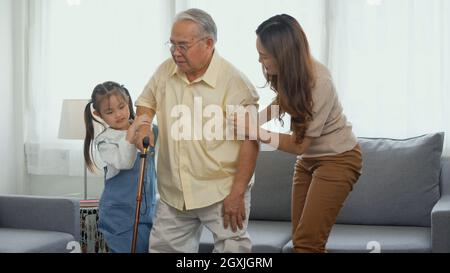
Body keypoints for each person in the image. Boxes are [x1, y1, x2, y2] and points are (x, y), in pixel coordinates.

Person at [230, 14, 363, 253]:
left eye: (264, 55)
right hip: (308, 161)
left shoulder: (320, 82)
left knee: (307, 244)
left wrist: (255, 130)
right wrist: (254, 120)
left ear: (283, 54)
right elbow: (282, 101)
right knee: (302, 240)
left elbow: (299, 145)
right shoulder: (290, 73)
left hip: (339, 160)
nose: (260, 61)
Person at [133, 9, 260, 253]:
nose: (175, 52)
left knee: (233, 252)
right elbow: (145, 102)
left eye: (183, 45)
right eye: (172, 45)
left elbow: (250, 141)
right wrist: (145, 124)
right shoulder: (165, 71)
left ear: (208, 43)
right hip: (174, 192)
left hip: (221, 191)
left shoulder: (235, 83)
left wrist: (237, 193)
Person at [83, 81, 157, 253]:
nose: (118, 114)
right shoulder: (105, 140)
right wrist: (131, 134)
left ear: (128, 102)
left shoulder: (146, 129)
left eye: (122, 107)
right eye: (110, 112)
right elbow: (124, 162)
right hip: (119, 213)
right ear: (98, 114)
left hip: (146, 209)